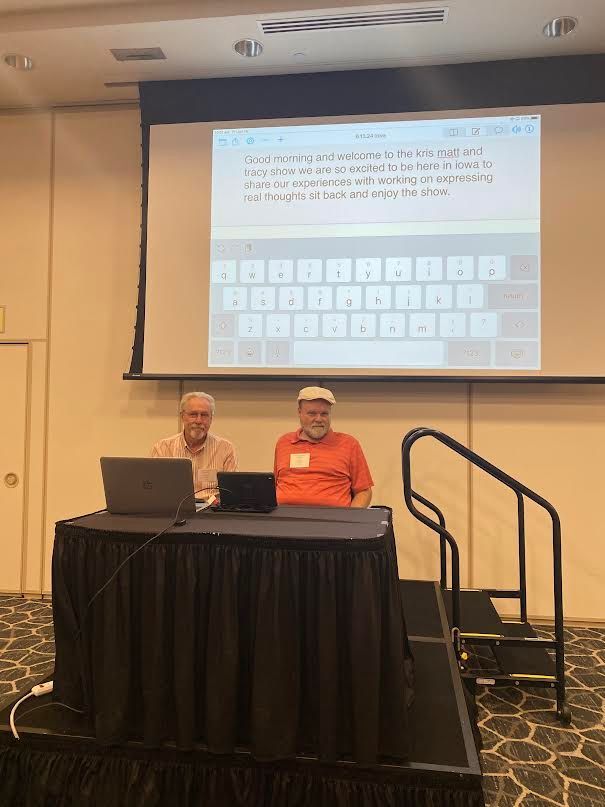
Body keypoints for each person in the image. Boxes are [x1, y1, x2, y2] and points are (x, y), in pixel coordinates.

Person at [274, 386, 373, 508]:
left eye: (324, 414)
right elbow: (274, 486)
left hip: (333, 522)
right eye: (312, 413)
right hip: (284, 520)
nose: (319, 419)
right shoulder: (284, 443)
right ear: (299, 413)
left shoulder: (349, 444)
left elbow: (364, 491)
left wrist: (350, 522)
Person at [152, 391, 237, 499]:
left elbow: (231, 492)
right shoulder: (163, 448)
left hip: (211, 512)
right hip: (175, 510)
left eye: (204, 415)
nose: (198, 420)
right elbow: (156, 488)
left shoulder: (225, 449)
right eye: (193, 414)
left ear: (211, 418)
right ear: (182, 416)